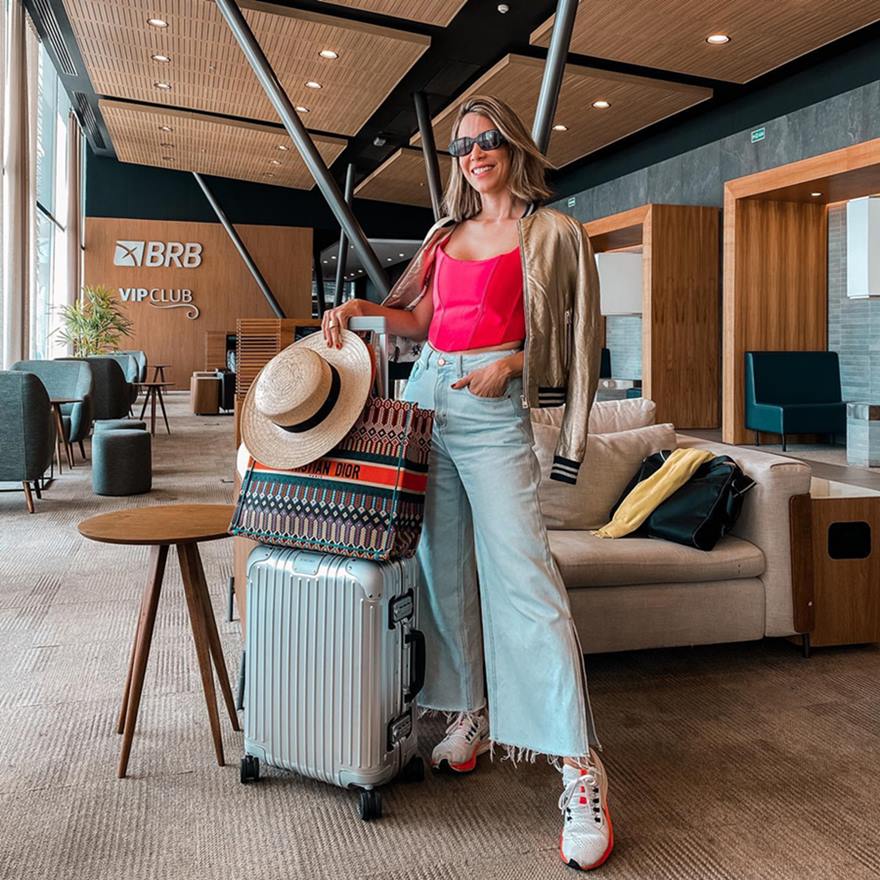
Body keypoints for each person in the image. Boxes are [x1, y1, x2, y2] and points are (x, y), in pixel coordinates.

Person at [321, 95, 612, 872]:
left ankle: (579, 769)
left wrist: (514, 365)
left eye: (488, 141)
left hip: (492, 409)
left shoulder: (551, 232)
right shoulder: (445, 235)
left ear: (514, 147)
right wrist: (363, 311)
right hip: (428, 400)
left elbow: (577, 336)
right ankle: (469, 712)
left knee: (524, 580)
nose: (476, 154)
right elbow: (423, 321)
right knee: (438, 571)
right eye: (463, 147)